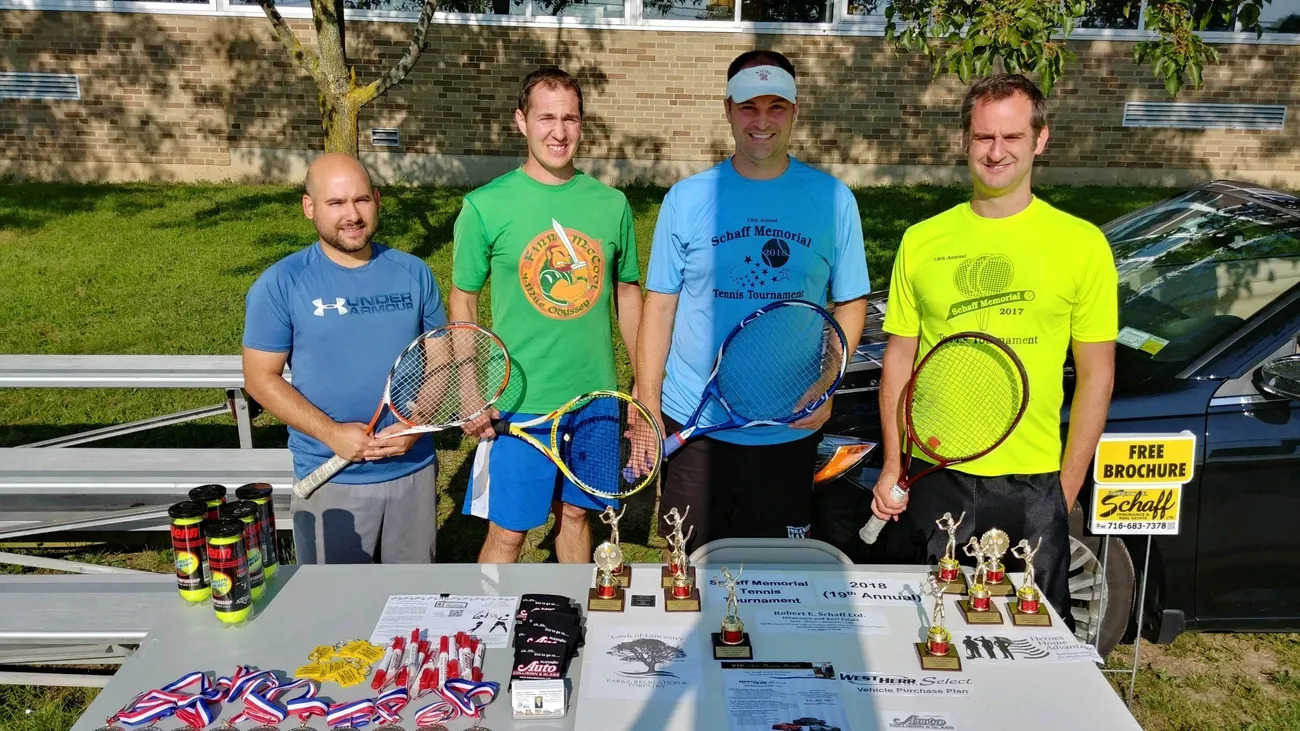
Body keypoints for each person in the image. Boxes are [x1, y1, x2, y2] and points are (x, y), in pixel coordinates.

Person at [870, 74, 1118, 626]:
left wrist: (1065, 490)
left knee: (1029, 650)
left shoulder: (1082, 245)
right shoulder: (921, 240)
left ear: (1041, 139)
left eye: (1012, 137)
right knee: (925, 643)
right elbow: (898, 362)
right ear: (965, 140)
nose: (997, 151)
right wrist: (893, 463)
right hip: (934, 474)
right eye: (984, 137)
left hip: (1032, 484)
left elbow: (1097, 376)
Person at [638, 50, 870, 553]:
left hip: (788, 427)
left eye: (776, 107)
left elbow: (851, 303)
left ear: (795, 111)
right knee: (688, 579)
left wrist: (826, 386)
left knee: (778, 580)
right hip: (695, 422)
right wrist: (648, 401)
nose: (761, 121)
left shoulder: (833, 199)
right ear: (727, 110)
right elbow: (659, 306)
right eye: (748, 107)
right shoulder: (687, 199)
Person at [451, 67, 642, 564]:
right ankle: (488, 632)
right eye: (546, 118)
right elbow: (464, 301)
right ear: (521, 121)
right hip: (518, 403)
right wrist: (471, 389)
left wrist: (644, 381)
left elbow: (627, 294)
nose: (559, 132)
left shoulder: (612, 204)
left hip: (597, 399)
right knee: (510, 532)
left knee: (578, 517)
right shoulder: (484, 206)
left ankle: (577, 622)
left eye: (571, 119)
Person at [242, 153, 447, 564]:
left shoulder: (413, 272)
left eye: (361, 200)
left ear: (377, 199)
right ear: (309, 207)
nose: (351, 215)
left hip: (413, 469)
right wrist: (332, 433)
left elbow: (441, 360)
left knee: (410, 607)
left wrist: (417, 423)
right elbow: (260, 378)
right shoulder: (282, 282)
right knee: (334, 613)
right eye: (336, 203)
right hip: (331, 473)